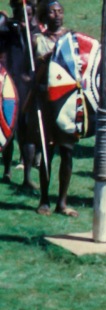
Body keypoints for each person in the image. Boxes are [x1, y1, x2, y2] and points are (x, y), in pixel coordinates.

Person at [33, 0, 77, 217]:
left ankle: (63, 201)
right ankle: (44, 200)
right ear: (45, 15)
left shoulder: (71, 38)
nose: (57, 15)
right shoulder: (38, 40)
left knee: (68, 152)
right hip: (46, 101)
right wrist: (46, 62)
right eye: (52, 11)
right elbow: (33, 73)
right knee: (48, 151)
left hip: (67, 102)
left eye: (60, 11)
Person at [1, 0, 40, 191]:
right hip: (9, 85)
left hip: (28, 88)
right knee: (7, 128)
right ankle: (6, 170)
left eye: (28, 13)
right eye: (19, 11)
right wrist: (12, 28)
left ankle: (27, 176)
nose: (24, 16)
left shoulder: (36, 32)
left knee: (27, 132)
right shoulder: (7, 29)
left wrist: (25, 32)